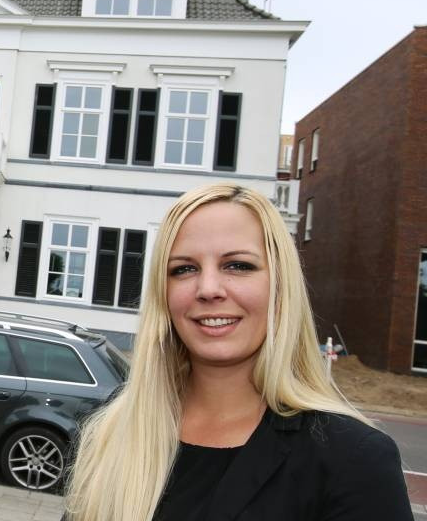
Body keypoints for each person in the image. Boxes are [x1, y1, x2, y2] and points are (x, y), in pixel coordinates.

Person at [64, 183, 411, 521]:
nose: (208, 289)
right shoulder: (113, 431)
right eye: (184, 269)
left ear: (280, 286)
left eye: (238, 265)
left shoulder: (353, 459)